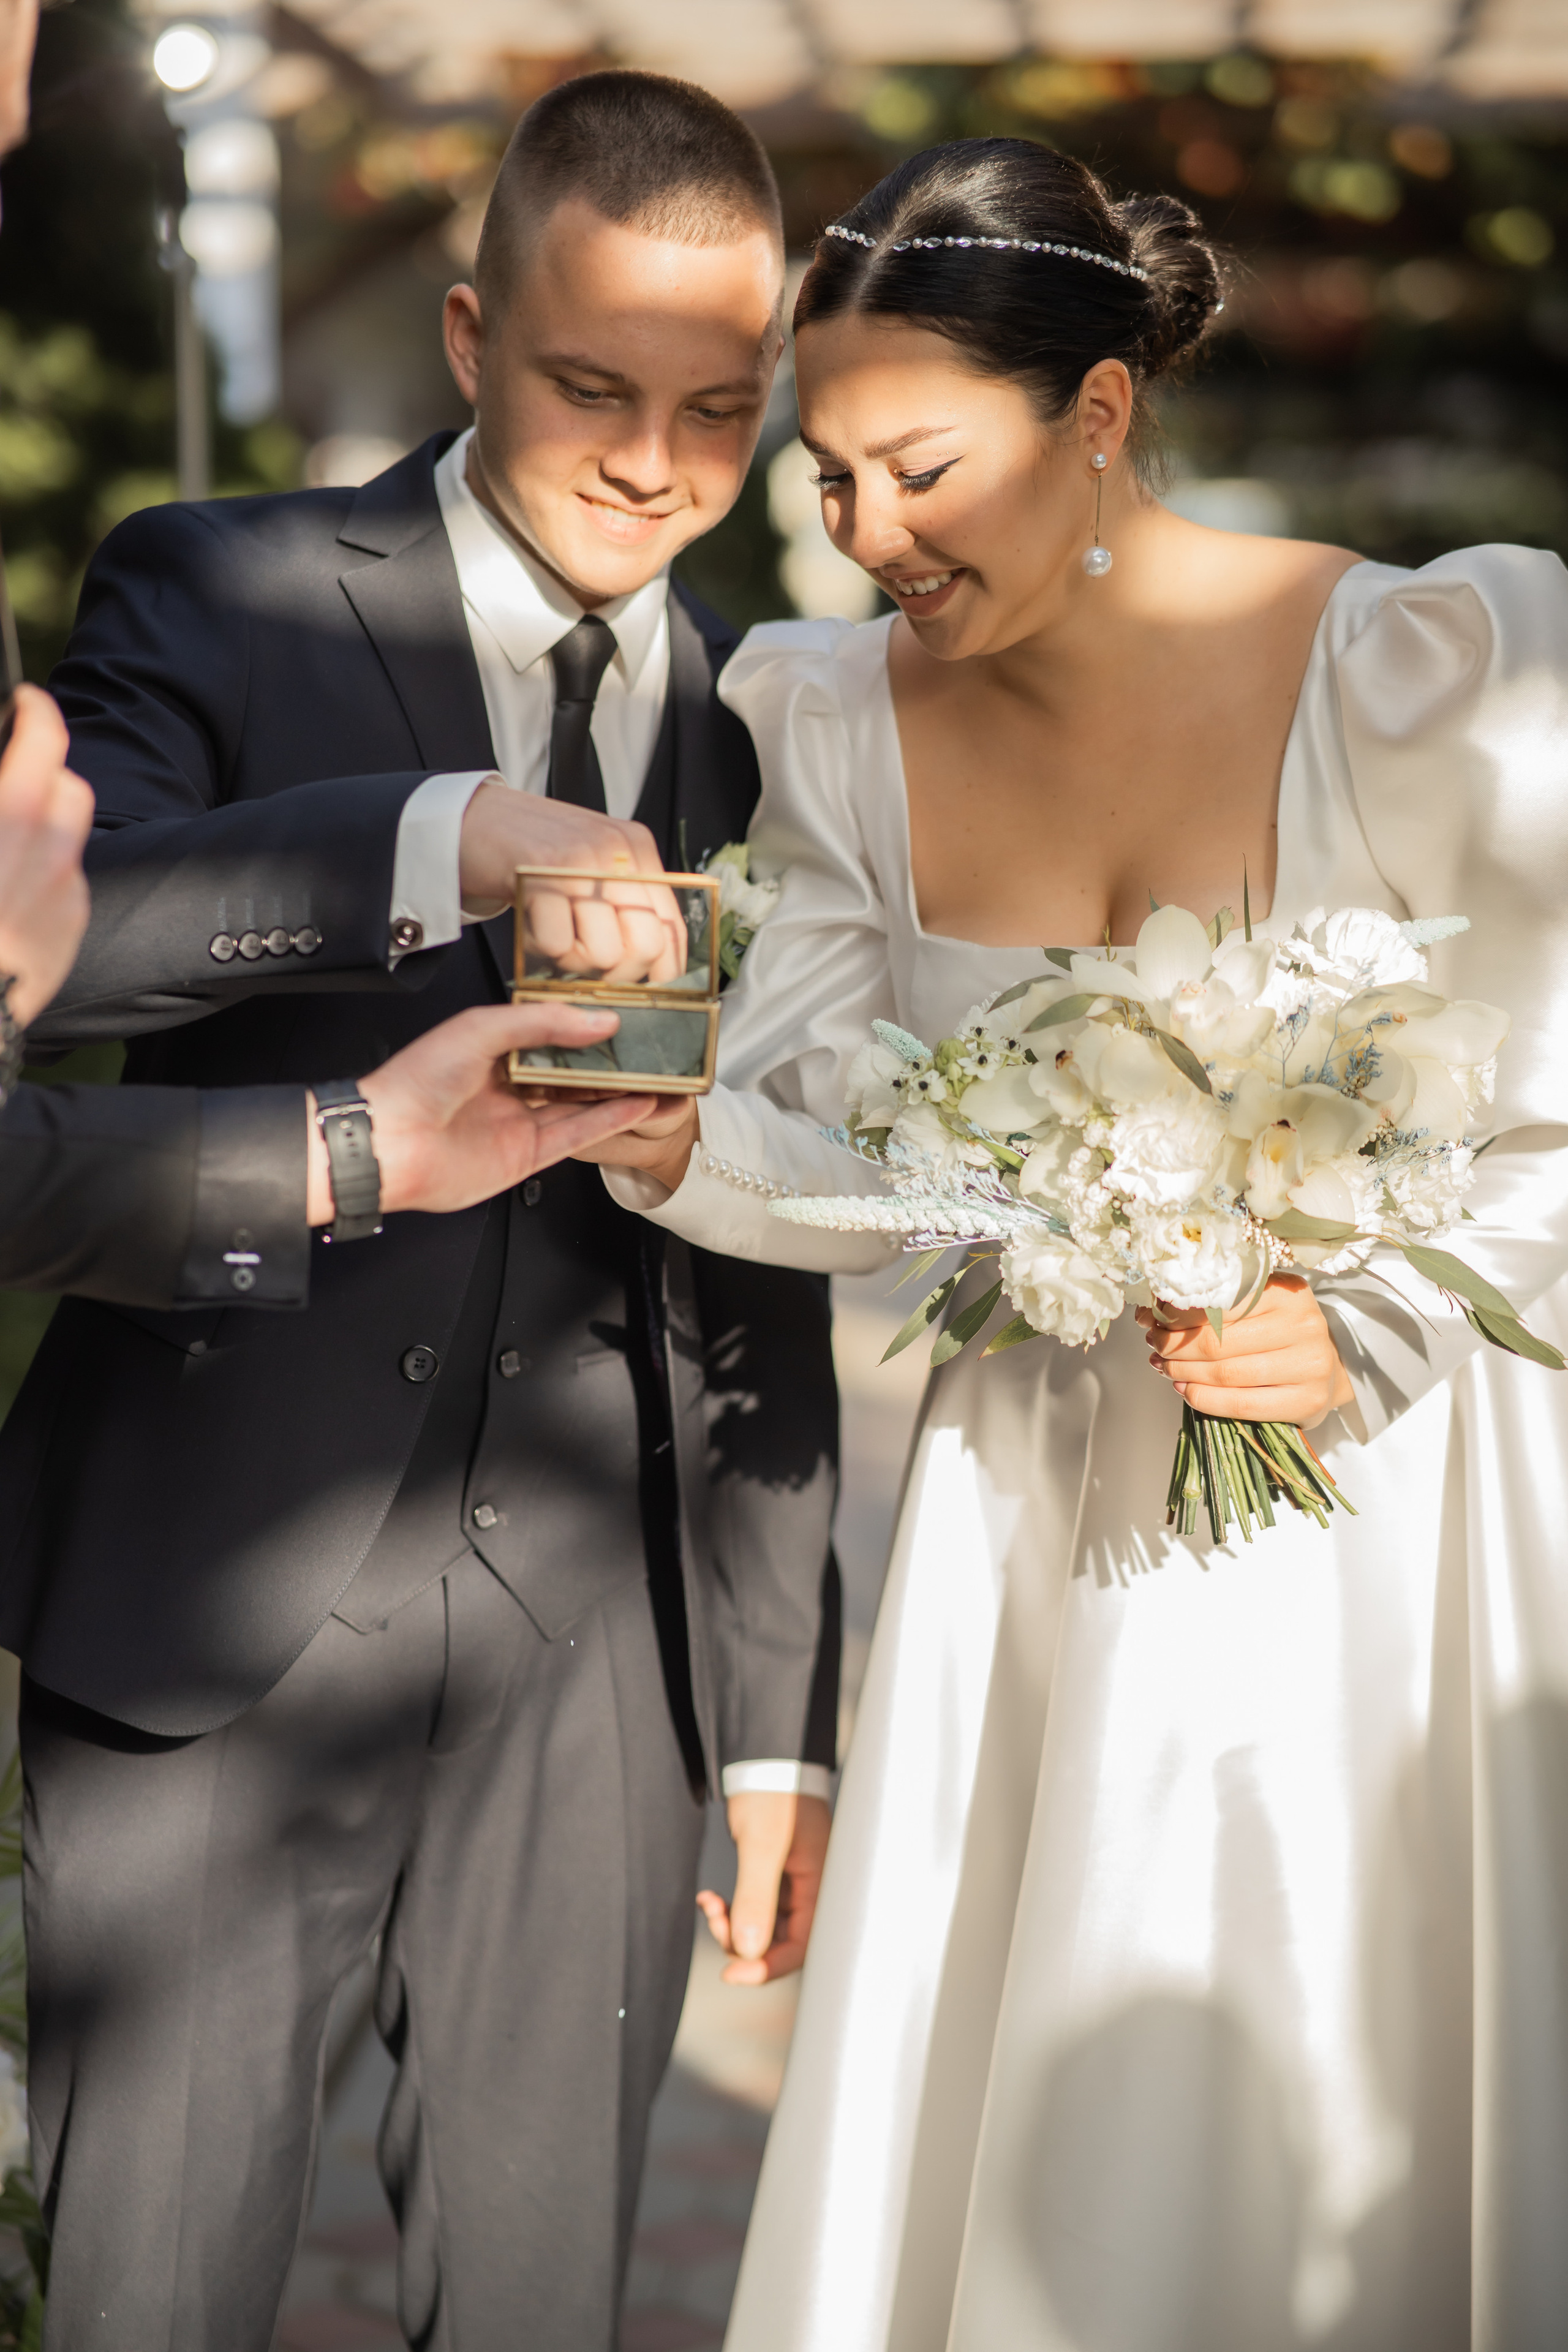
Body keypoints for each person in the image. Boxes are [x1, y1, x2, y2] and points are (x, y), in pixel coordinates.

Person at [582, 136, 1568, 2352]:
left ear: (1101, 413)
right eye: (824, 480)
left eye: (919, 466)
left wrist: (1377, 1328)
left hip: (1384, 1548)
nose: (867, 537)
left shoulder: (1432, 668)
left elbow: (1562, 1121)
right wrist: (661, 1143)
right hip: (1028, 1534)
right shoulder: (834, 729)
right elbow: (854, 1160)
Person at [0, 71, 839, 2352]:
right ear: (472, 337)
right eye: (591, 385)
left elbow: (780, 1237)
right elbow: (57, 956)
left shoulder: (784, 724)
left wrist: (774, 1713)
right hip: (213, 1618)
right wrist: (427, 834)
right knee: (149, 2306)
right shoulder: (221, 581)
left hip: (603, 1665)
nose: (656, 462)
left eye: (718, 410)